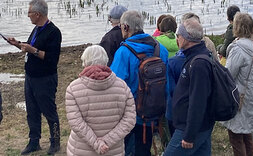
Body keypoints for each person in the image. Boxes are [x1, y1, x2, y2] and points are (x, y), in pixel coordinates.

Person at [7, 0, 62, 155]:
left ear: (38, 14)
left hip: (45, 78)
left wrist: (33, 51)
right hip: (30, 77)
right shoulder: (37, 29)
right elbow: (30, 47)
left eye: (29, 12)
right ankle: (34, 141)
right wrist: (17, 43)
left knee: (49, 110)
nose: (27, 15)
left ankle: (55, 141)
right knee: (32, 110)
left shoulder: (53, 32)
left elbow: (51, 58)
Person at [110, 10, 169, 156]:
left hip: (132, 115)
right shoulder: (160, 48)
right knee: (144, 148)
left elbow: (115, 85)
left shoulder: (123, 52)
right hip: (155, 110)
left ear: (126, 27)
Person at [65, 45, 136, 156]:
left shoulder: (73, 89)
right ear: (106, 61)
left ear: (85, 62)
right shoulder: (122, 86)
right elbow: (129, 120)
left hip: (81, 149)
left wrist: (97, 144)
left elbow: (76, 123)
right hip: (113, 149)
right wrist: (106, 141)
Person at [164, 18, 215, 156]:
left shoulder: (198, 63)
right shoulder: (197, 57)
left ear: (187, 38)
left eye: (178, 35)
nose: (177, 39)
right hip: (201, 125)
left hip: (190, 127)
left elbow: (198, 101)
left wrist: (189, 135)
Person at [222, 13, 253, 156]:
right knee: (247, 134)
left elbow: (228, 75)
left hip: (238, 96)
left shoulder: (238, 49)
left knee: (236, 137)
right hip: (252, 94)